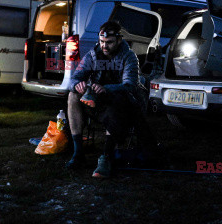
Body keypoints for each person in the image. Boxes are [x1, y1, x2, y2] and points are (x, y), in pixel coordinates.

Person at [66, 21, 156, 178]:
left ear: (119, 40)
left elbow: (130, 85)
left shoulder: (129, 56)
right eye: (101, 42)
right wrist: (78, 85)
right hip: (97, 101)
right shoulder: (93, 55)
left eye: (109, 42)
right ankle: (78, 153)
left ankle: (106, 157)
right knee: (73, 95)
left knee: (115, 104)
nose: (104, 46)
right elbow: (74, 79)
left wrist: (107, 89)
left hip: (124, 104)